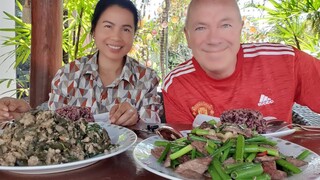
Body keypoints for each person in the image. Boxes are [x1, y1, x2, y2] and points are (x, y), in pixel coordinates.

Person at [0, 0, 162, 126]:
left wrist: (136, 117)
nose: (116, 37)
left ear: (134, 34)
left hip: (125, 164)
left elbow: (153, 128)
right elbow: (50, 120)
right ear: (93, 30)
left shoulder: (146, 78)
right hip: (75, 163)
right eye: (108, 26)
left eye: (126, 29)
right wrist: (24, 115)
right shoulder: (69, 74)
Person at [162, 0, 320, 124]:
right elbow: (188, 152)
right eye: (200, 28)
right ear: (187, 36)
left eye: (225, 25)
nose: (213, 39)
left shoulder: (287, 60)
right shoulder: (177, 84)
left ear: (240, 29)